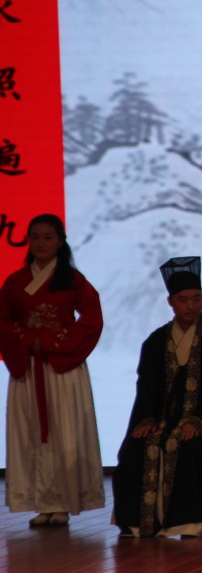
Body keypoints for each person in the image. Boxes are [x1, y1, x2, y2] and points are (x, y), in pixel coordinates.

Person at [112, 256, 202, 537]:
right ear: (170, 302)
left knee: (187, 447)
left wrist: (198, 421)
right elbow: (146, 385)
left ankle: (191, 522)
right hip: (163, 420)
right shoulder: (156, 341)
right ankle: (137, 522)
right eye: (183, 300)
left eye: (197, 298)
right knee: (134, 449)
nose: (191, 305)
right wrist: (146, 418)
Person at [0, 213, 105, 527]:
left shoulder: (72, 280)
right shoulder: (15, 282)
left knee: (64, 432)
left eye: (48, 237)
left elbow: (92, 318)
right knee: (31, 432)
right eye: (35, 237)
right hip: (29, 367)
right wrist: (25, 340)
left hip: (61, 367)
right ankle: (41, 503)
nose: (41, 243)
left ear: (60, 242)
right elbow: (2, 320)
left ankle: (61, 502)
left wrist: (49, 341)